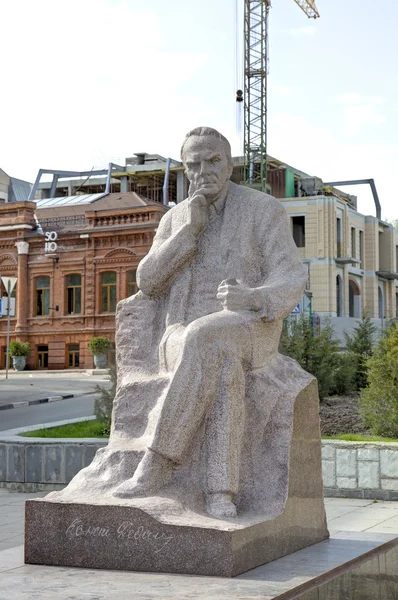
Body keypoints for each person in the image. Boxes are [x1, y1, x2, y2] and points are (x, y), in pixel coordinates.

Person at [114, 127, 307, 518]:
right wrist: (189, 232)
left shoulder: (262, 210)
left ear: (230, 164)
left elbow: (291, 276)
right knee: (217, 358)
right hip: (180, 337)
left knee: (212, 337)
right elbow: (149, 282)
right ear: (185, 170)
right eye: (194, 164)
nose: (204, 171)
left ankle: (158, 463)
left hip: (251, 328)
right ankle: (221, 491)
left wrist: (254, 297)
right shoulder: (176, 219)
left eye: (214, 161)